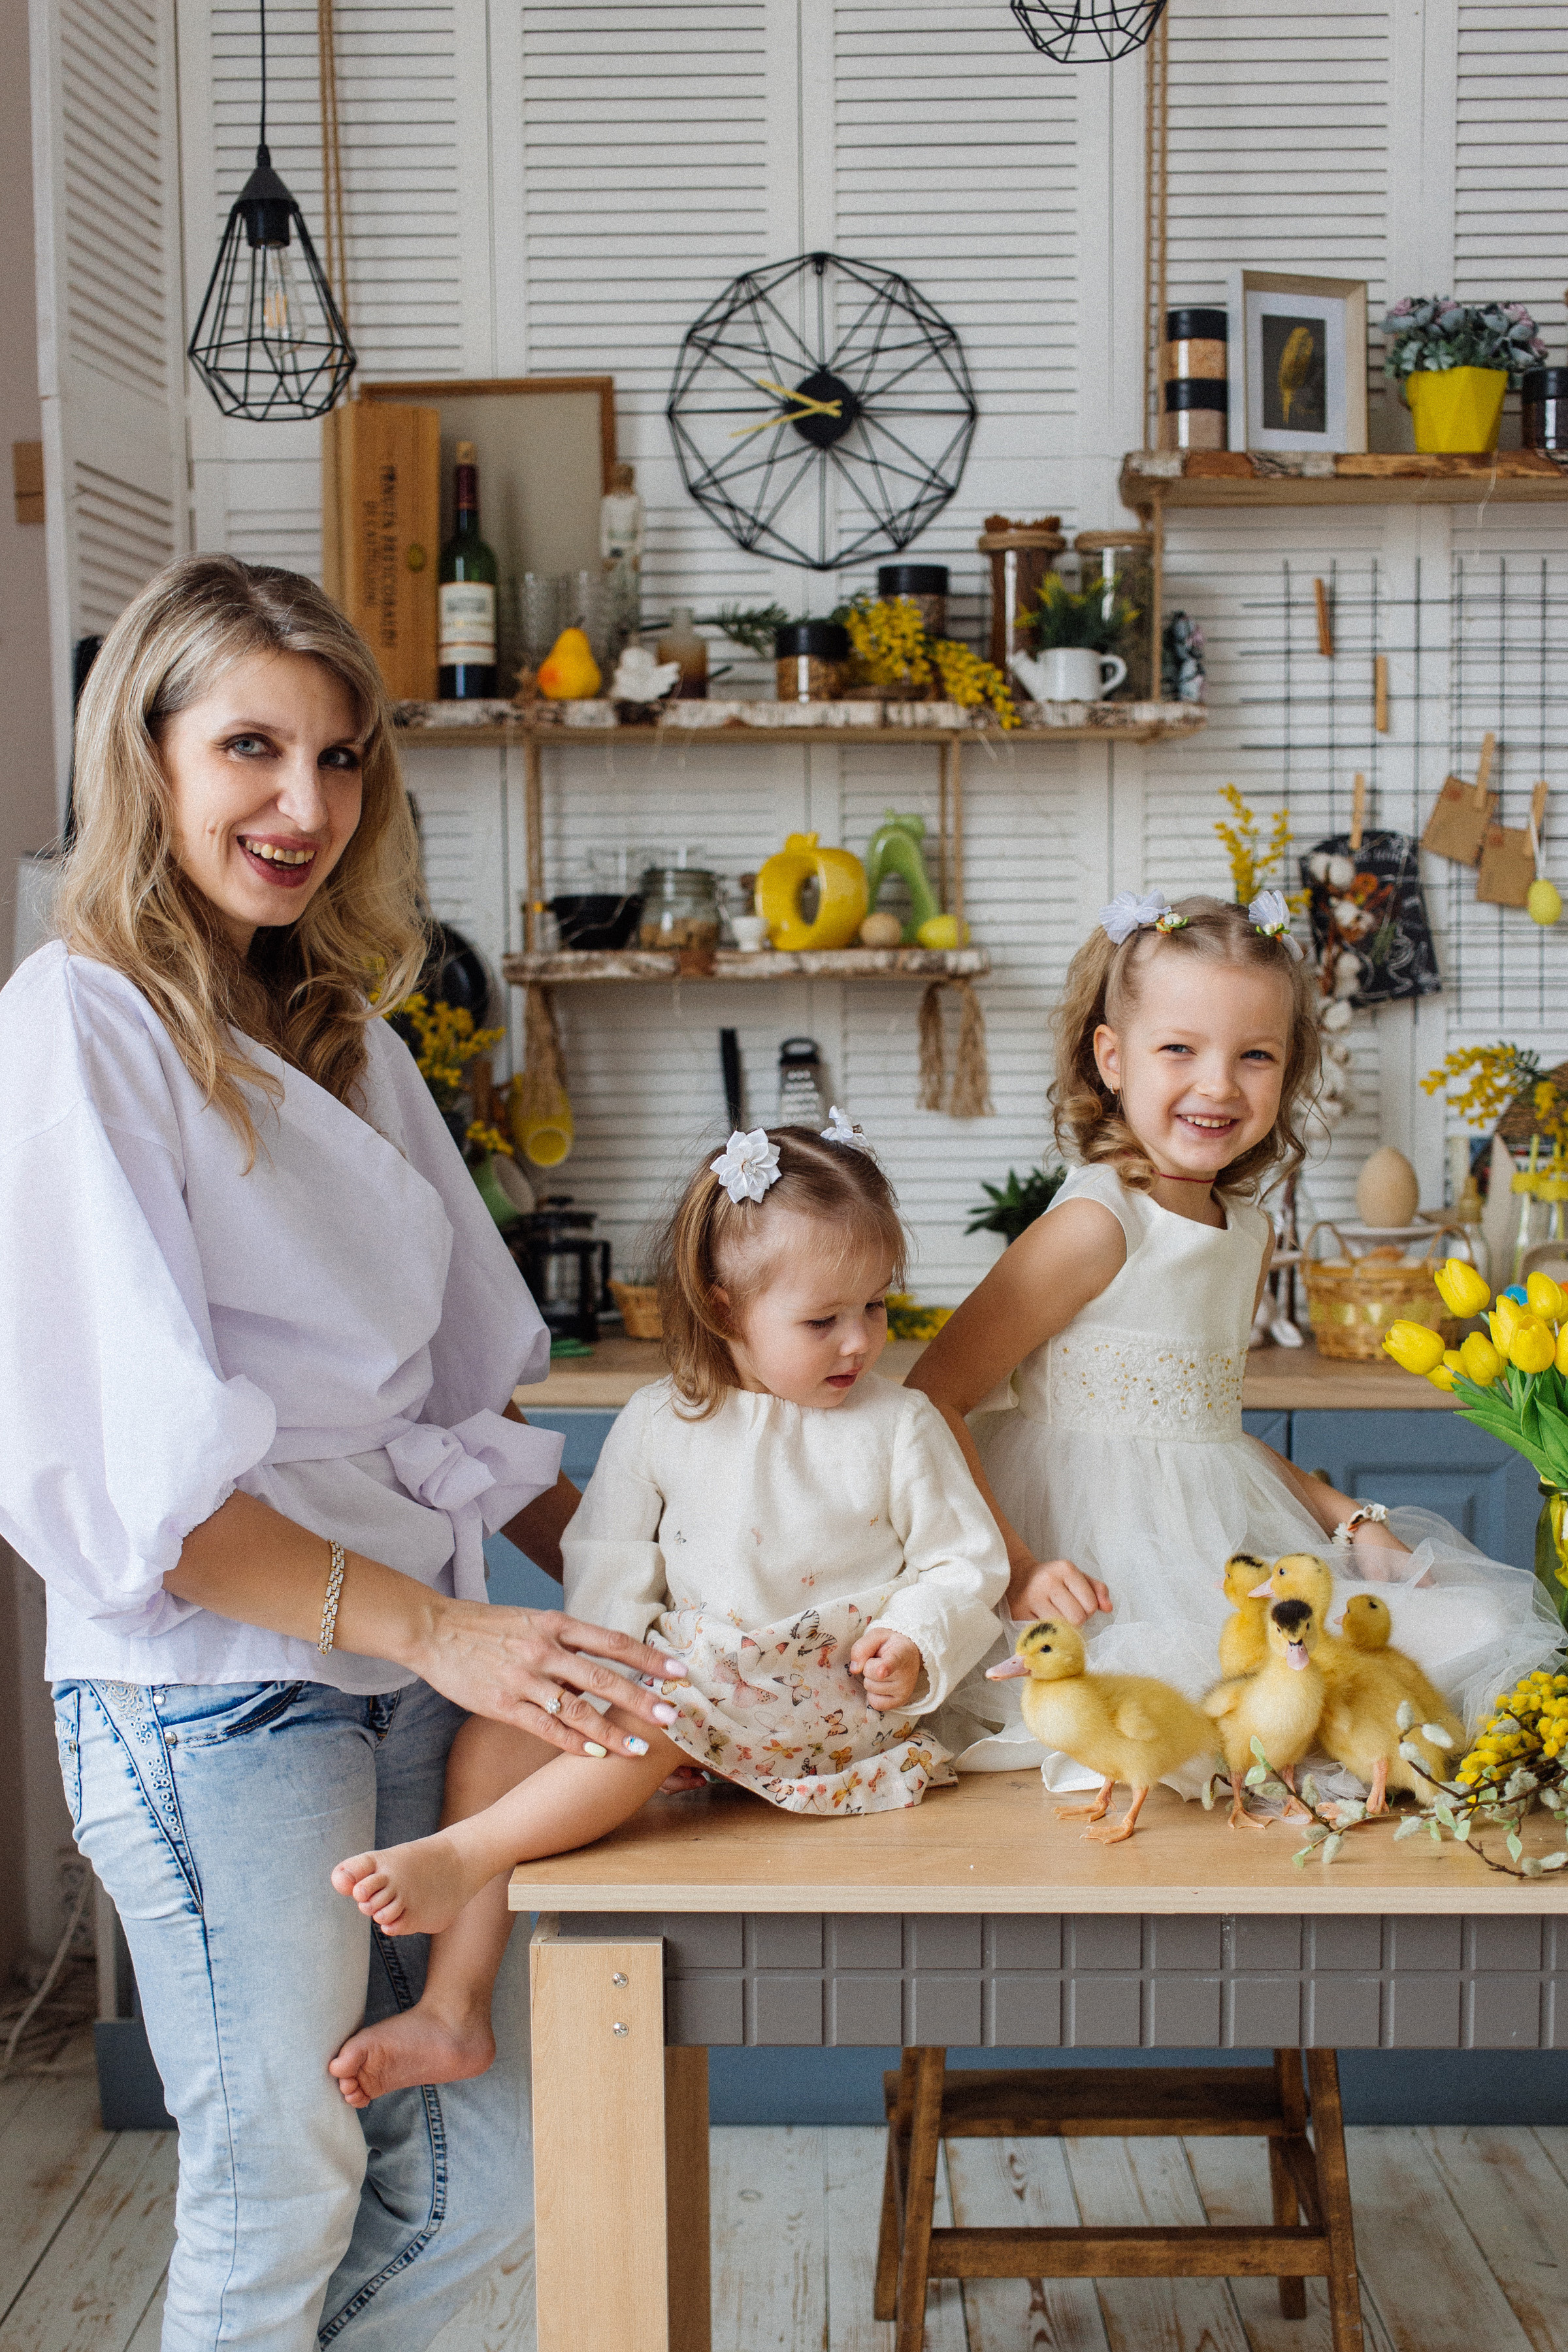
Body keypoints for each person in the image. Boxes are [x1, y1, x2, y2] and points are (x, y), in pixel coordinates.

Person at [0, 553, 685, 2352]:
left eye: (341, 757)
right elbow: (143, 1503)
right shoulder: (79, 1023)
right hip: (215, 1692)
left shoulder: (343, 1035)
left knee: (486, 2178)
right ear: (144, 756)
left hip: (407, 1676)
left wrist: (683, 1577)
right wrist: (450, 1633)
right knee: (279, 2184)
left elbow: (464, 1403)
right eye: (251, 749)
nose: (305, 807)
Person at [325, 1120, 1009, 2106]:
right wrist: (600, 1693)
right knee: (494, 1741)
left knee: (653, 1721)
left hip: (831, 1711)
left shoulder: (900, 1425)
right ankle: (454, 2008)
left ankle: (467, 1856)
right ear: (724, 1306)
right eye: (823, 1320)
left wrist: (914, 1638)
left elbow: (963, 1563)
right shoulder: (662, 1419)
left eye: (875, 1305)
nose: (861, 1340)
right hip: (687, 1702)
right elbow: (610, 1569)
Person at [907, 889, 1560, 1786]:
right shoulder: (1096, 1225)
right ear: (1112, 1058)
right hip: (1085, 1557)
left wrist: (1350, 1518)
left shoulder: (1248, 1232)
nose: (1218, 1084)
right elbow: (931, 1398)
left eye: (1255, 1055)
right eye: (1179, 1049)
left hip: (1217, 1533)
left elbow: (1204, 1430)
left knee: (1469, 1629)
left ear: (1288, 1073)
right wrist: (1015, 1569)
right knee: (1197, 1703)